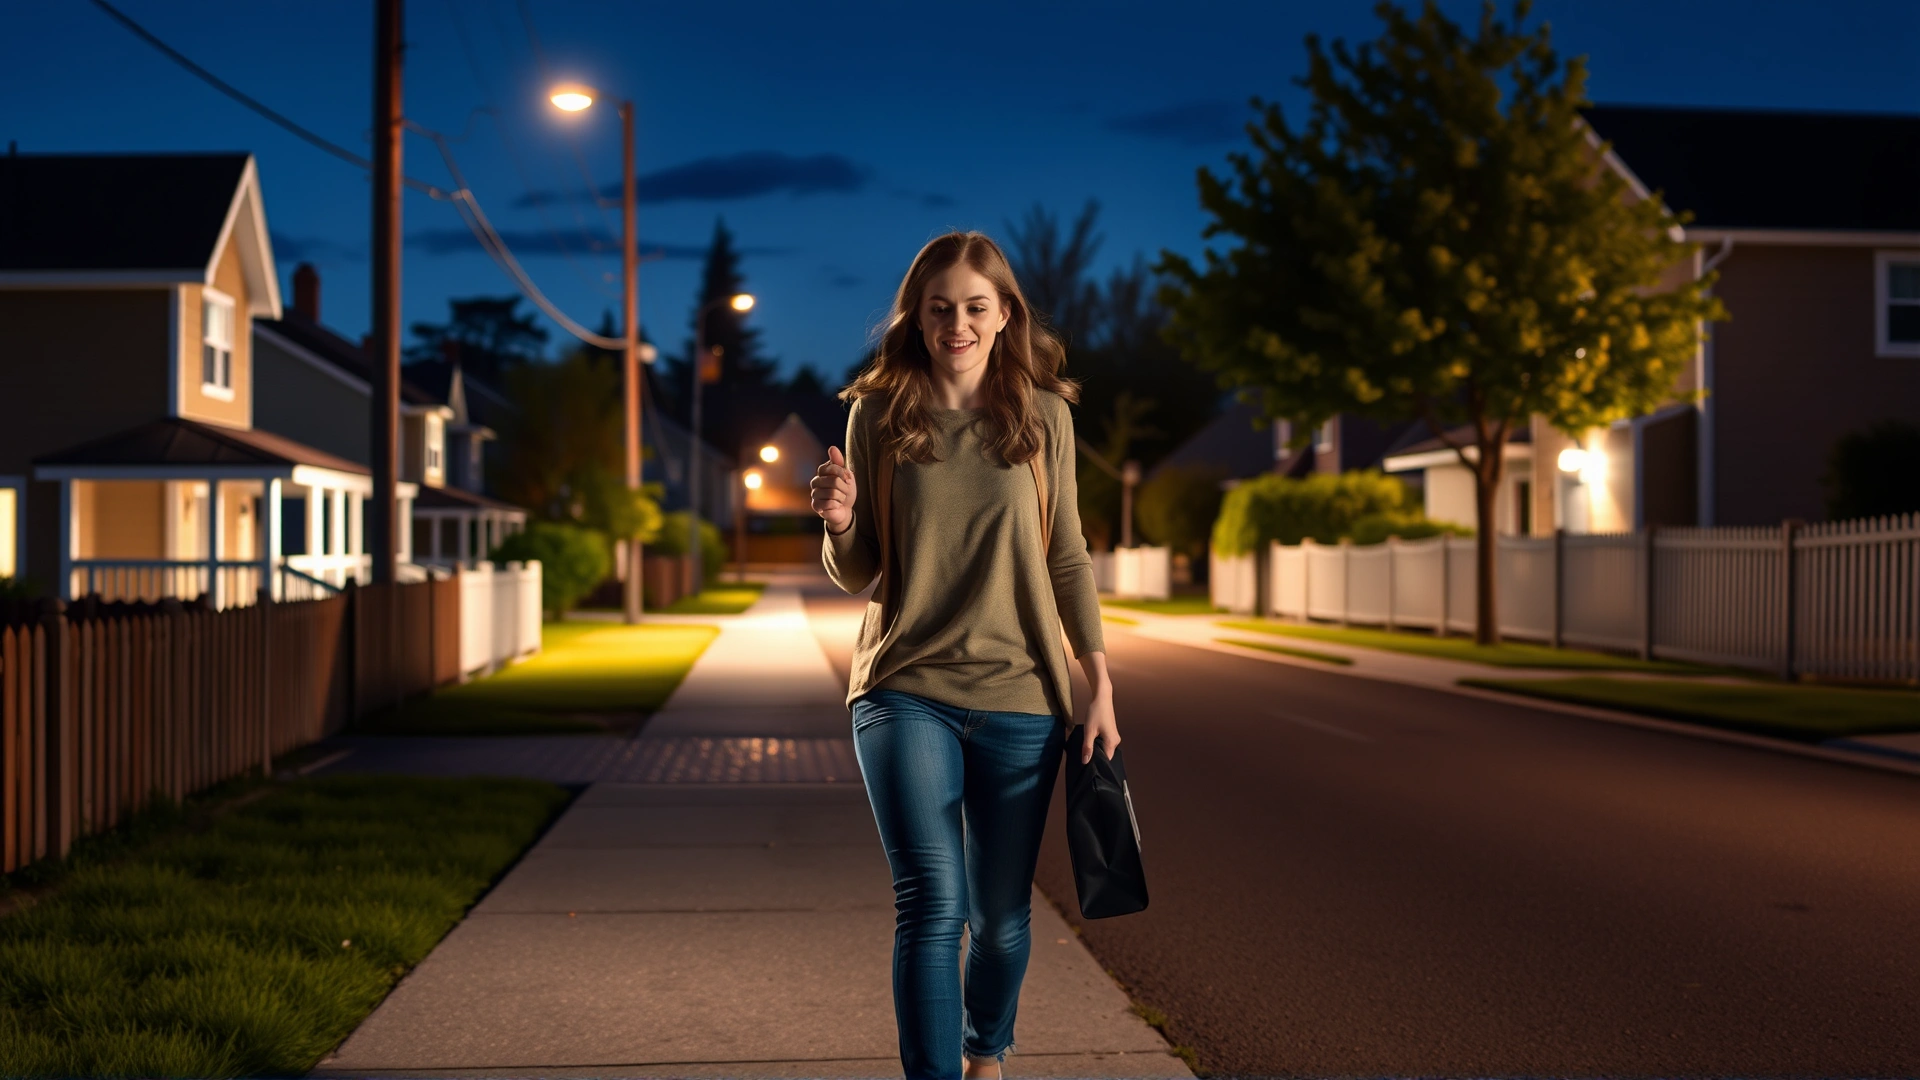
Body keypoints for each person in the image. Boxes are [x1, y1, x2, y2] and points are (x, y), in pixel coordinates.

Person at [811, 231, 1120, 1080]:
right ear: (917, 313)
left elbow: (1067, 558)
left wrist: (1100, 687)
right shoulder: (877, 412)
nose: (957, 323)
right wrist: (838, 522)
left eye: (975, 307)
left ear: (1005, 313)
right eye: (940, 307)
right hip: (904, 686)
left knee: (1002, 919)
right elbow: (862, 570)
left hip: (1023, 696)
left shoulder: (1044, 416)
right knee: (931, 905)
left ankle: (987, 1049)